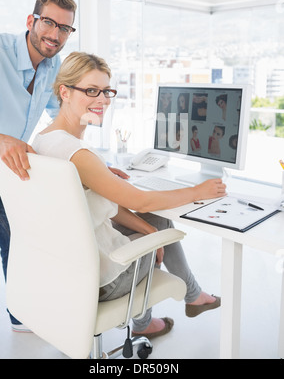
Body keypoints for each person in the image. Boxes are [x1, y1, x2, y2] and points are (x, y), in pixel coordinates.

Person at [32, 52, 227, 339]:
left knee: (153, 222)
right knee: (159, 218)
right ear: (65, 92)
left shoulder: (44, 141)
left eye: (106, 91)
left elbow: (98, 205)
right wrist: (199, 191)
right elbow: (140, 201)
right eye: (91, 91)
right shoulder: (79, 154)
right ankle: (187, 298)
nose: (102, 100)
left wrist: (145, 226)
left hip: (68, 270)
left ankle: (183, 301)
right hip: (103, 281)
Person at [0, 0, 77, 330]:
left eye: (64, 28)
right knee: (18, 240)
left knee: (22, 241)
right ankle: (23, 314)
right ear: (31, 20)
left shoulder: (56, 67)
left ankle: (22, 314)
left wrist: (86, 160)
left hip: (5, 174)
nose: (54, 34)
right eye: (48, 23)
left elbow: (63, 118)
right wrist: (0, 140)